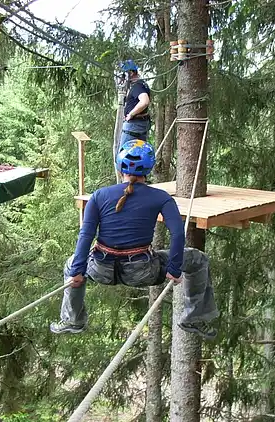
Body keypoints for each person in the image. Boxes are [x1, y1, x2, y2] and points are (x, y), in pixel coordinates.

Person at [50, 140, 219, 340]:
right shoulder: (161, 197)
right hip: (141, 271)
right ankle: (193, 317)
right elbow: (177, 234)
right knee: (197, 259)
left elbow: (86, 235)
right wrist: (174, 269)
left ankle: (73, 320)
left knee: (71, 265)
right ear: (148, 168)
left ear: (119, 165)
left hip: (101, 269)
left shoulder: (99, 196)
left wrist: (77, 272)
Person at [119, 60, 152, 146]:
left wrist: (131, 114)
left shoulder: (138, 86)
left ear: (131, 73)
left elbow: (145, 101)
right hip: (140, 124)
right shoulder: (142, 84)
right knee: (137, 154)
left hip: (134, 125)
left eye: (124, 74)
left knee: (124, 154)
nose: (122, 77)